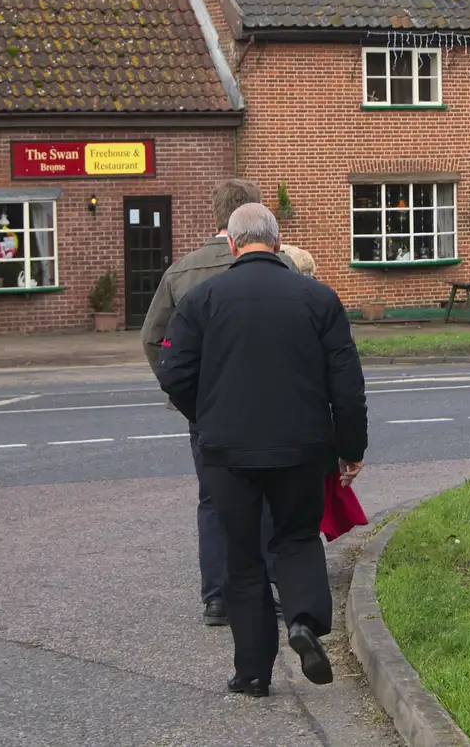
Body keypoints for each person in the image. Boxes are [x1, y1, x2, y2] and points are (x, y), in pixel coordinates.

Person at [157, 203, 367, 698]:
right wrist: (350, 448)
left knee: (242, 556)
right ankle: (303, 622)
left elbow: (174, 373)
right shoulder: (318, 298)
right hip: (302, 447)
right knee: (295, 538)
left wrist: (205, 414)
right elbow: (347, 383)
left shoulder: (203, 298)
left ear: (231, 244)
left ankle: (252, 673)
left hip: (227, 450)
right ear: (277, 243)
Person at [141, 179, 295, 627]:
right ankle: (270, 586)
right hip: (273, 400)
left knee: (213, 498)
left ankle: (217, 596)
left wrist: (186, 394)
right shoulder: (281, 264)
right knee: (270, 494)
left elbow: (154, 339)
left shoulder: (183, 271)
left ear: (217, 215)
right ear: (258, 213)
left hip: (207, 405)